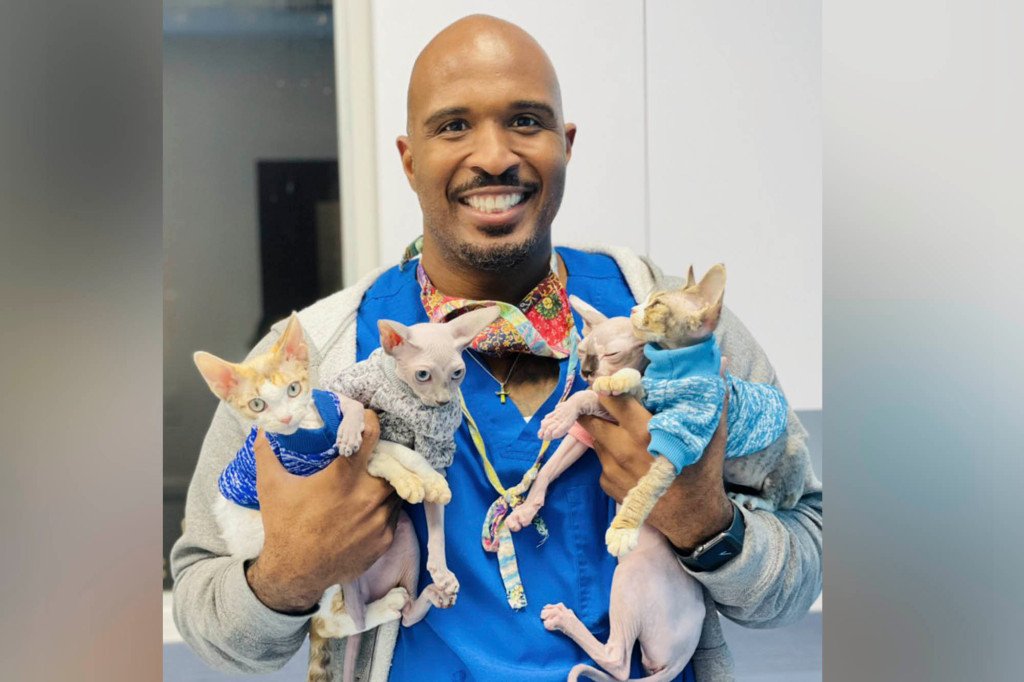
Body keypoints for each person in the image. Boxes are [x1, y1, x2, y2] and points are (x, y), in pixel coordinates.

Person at [170, 14, 822, 682]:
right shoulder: (316, 360)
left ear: (566, 145)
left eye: (526, 121)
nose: (494, 156)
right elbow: (208, 616)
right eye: (454, 126)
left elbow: (802, 564)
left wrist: (706, 523)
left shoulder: (678, 332)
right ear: (408, 158)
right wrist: (290, 574)